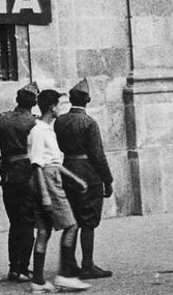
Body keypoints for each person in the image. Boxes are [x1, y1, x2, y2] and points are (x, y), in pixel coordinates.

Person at [0, 81, 39, 282]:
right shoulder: (35, 123)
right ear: (34, 103)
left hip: (9, 176)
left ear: (17, 100)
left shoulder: (2, 120)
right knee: (27, 222)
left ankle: (13, 268)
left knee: (15, 222)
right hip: (28, 177)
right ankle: (22, 268)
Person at [28, 89, 91, 293]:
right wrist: (46, 195)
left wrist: (75, 178)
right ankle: (65, 275)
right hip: (47, 181)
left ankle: (38, 280)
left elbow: (53, 163)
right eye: (58, 104)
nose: (60, 108)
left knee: (44, 231)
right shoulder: (39, 131)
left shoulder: (45, 129)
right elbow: (37, 164)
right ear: (51, 107)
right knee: (71, 225)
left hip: (49, 176)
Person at [54, 78, 113, 280]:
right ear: (87, 99)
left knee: (71, 221)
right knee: (88, 221)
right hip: (88, 175)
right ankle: (87, 265)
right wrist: (108, 180)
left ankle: (69, 265)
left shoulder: (60, 121)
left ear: (71, 99)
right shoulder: (89, 123)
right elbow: (97, 155)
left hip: (68, 170)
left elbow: (59, 147)